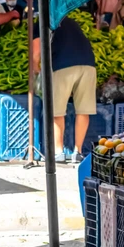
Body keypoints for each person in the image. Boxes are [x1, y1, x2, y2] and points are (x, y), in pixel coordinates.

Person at [31, 14, 97, 160]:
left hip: (63, 66)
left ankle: (58, 152)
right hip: (88, 65)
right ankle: (78, 152)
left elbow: (36, 53)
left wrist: (35, 71)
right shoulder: (71, 21)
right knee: (83, 110)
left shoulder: (42, 21)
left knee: (57, 111)